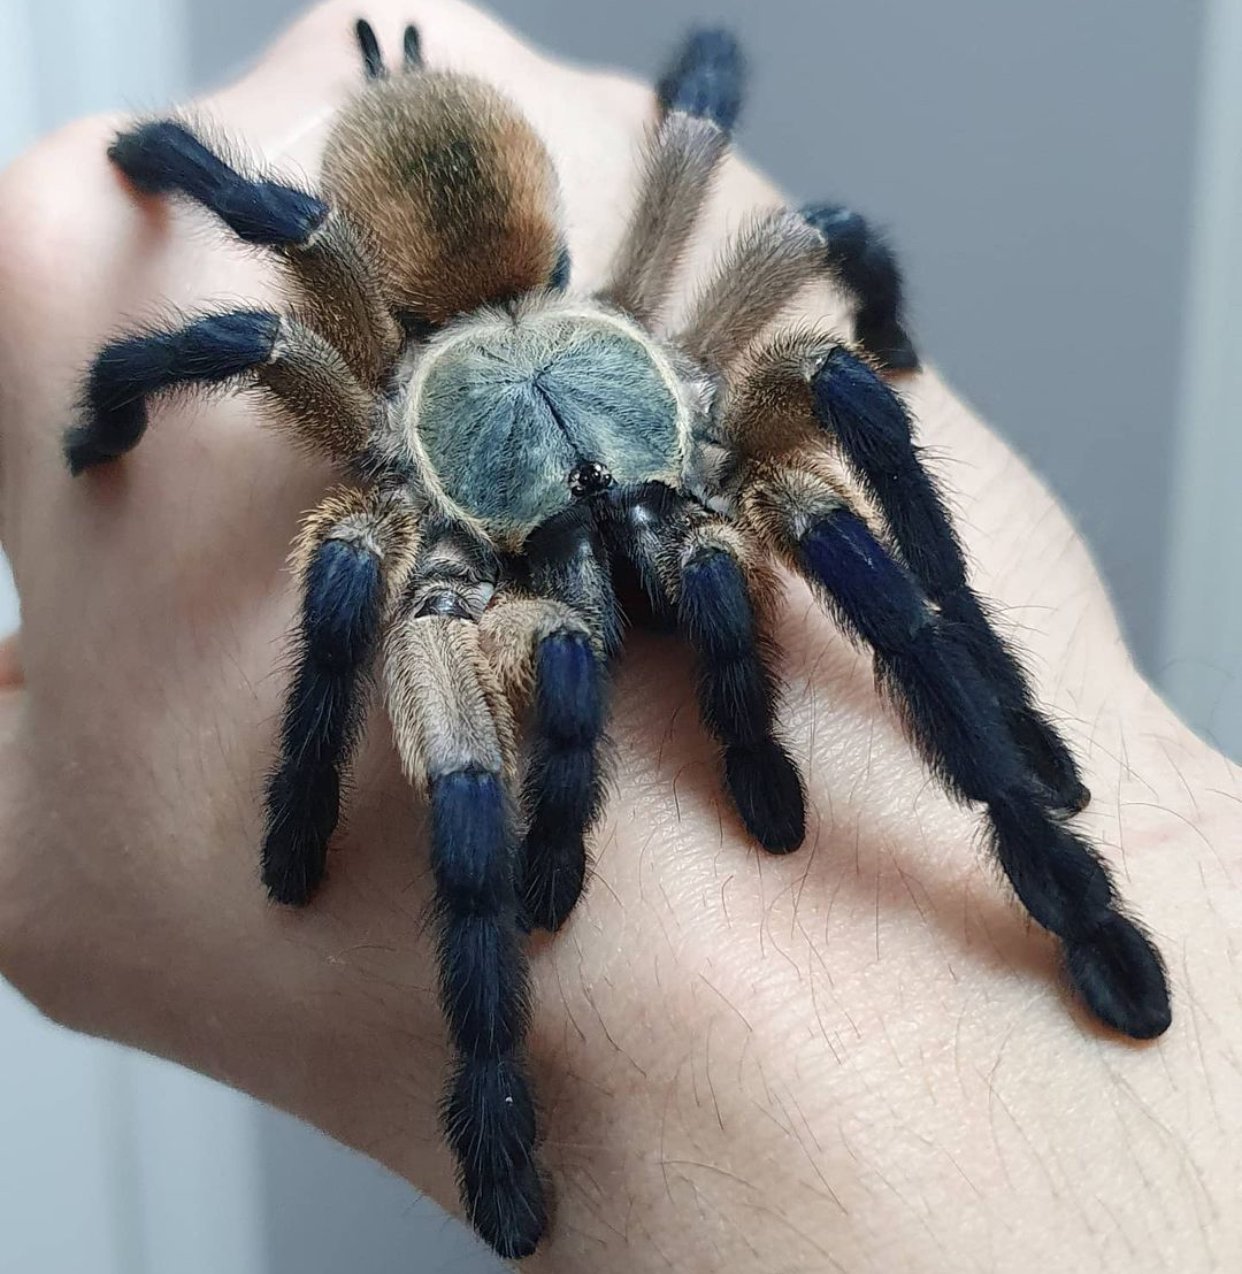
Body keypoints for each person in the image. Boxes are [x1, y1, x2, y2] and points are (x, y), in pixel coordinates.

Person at [0, 1, 1236, 1267]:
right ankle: (491, 1094)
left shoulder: (709, 386)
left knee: (840, 388)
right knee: (368, 605)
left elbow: (808, 217)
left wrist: (885, 361)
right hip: (440, 434)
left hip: (622, 402)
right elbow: (241, 334)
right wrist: (304, 786)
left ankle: (1040, 834)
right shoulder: (363, 417)